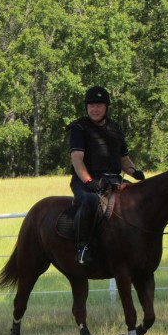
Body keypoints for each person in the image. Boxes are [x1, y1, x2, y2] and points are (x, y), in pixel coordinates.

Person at [67, 86, 145, 265]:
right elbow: (77, 160)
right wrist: (88, 181)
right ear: (87, 107)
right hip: (86, 181)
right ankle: (82, 248)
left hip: (113, 180)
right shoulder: (79, 128)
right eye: (91, 105)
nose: (95, 109)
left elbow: (124, 158)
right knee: (91, 201)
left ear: (106, 107)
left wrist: (135, 172)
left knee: (137, 198)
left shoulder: (115, 128)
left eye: (99, 105)